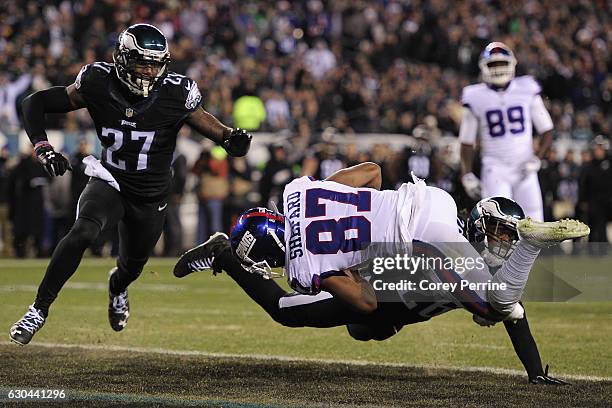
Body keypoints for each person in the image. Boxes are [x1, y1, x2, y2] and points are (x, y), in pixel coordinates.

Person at [173, 163, 588, 384]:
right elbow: (371, 171)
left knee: (338, 316)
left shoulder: (302, 263)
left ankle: (225, 258)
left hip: (411, 255)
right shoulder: (298, 191)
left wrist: (355, 268)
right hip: (423, 211)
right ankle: (226, 257)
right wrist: (340, 202)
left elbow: (365, 300)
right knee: (378, 320)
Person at [9, 23, 252, 346]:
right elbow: (33, 103)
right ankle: (38, 310)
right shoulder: (97, 81)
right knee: (83, 231)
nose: (150, 71)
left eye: (156, 63)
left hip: (151, 195)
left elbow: (217, 130)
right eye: (142, 62)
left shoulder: (176, 93)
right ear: (122, 59)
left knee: (132, 267)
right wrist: (43, 147)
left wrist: (231, 139)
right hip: (111, 179)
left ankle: (118, 287)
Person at [459, 42, 555, 221]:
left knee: (535, 220)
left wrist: (537, 158)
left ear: (512, 63)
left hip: (525, 166)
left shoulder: (527, 88)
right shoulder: (475, 95)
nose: (498, 68)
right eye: (493, 64)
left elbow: (547, 129)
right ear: (483, 67)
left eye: (502, 63)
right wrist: (466, 173)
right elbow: (466, 141)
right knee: (497, 223)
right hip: (495, 168)